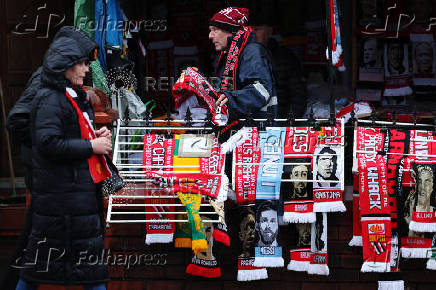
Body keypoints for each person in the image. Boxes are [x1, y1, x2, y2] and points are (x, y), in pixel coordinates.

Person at [15, 26, 112, 290]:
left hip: (74, 194)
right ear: (65, 66)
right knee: (41, 266)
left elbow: (71, 130)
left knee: (82, 268)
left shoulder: (72, 95)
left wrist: (96, 135)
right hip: (60, 194)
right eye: (81, 63)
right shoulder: (49, 97)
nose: (86, 69)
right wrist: (90, 145)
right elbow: (47, 142)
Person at [209, 7, 278, 120]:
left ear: (232, 31)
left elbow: (262, 90)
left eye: (215, 30)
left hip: (257, 129)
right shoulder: (227, 55)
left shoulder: (252, 52)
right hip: (241, 129)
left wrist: (231, 98)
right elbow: (223, 91)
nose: (210, 36)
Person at [251, 16, 306, 118]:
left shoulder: (285, 57)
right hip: (249, 122)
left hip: (280, 120)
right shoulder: (240, 57)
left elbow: (298, 94)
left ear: (269, 32)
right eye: (249, 30)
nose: (252, 33)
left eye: (257, 29)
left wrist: (289, 122)